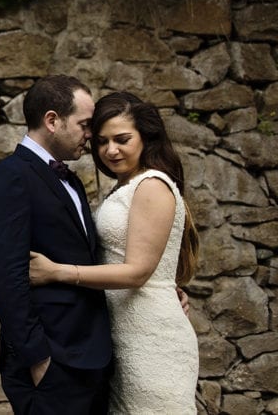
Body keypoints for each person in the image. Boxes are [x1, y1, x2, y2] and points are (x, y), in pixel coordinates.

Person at [28, 91, 199, 413]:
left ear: (146, 138)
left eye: (122, 139)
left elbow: (137, 272)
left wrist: (57, 272)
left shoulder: (151, 185)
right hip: (124, 334)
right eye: (102, 142)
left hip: (152, 336)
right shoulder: (124, 187)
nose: (110, 150)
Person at [0, 74, 113, 414]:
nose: (91, 135)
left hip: (92, 358)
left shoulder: (71, 181)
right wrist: (39, 361)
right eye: (84, 124)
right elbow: (6, 277)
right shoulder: (8, 177)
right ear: (52, 120)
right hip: (54, 365)